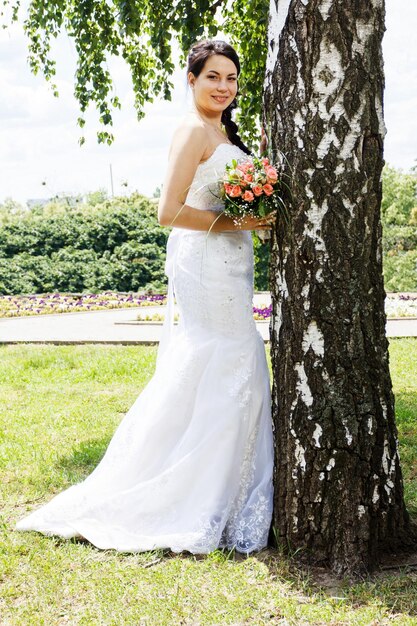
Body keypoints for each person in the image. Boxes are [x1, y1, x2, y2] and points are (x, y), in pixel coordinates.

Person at [15, 39, 277, 555]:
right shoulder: (190, 131)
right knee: (226, 357)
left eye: (231, 78)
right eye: (213, 78)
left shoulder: (226, 132)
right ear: (192, 80)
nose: (223, 87)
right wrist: (238, 221)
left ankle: (227, 484)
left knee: (231, 359)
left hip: (231, 260)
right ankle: (191, 491)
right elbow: (168, 211)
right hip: (204, 260)